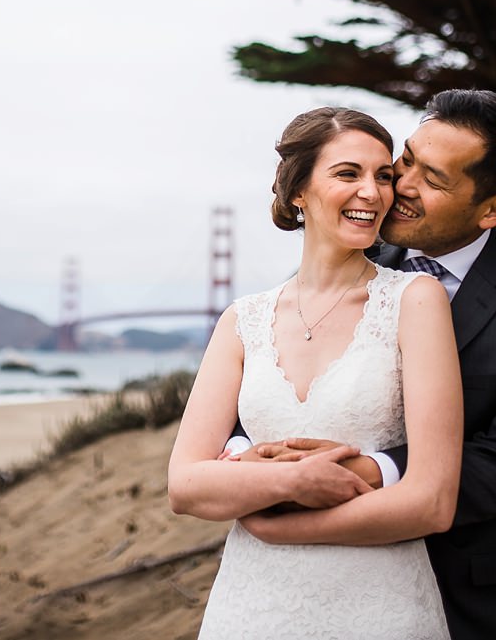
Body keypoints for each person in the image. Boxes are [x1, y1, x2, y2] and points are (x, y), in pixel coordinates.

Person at [237, 90, 496, 640]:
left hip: (469, 590)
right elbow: (271, 380)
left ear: (494, 209)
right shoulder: (354, 251)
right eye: (405, 159)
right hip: (319, 587)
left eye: (432, 180)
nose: (398, 187)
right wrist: (251, 458)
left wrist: (367, 472)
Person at [168, 107, 463, 639]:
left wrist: (278, 523)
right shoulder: (244, 319)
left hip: (379, 605)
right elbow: (185, 485)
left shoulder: (416, 300)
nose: (372, 193)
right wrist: (290, 480)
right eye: (348, 174)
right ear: (299, 190)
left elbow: (432, 502)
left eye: (383, 176)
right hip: (250, 607)